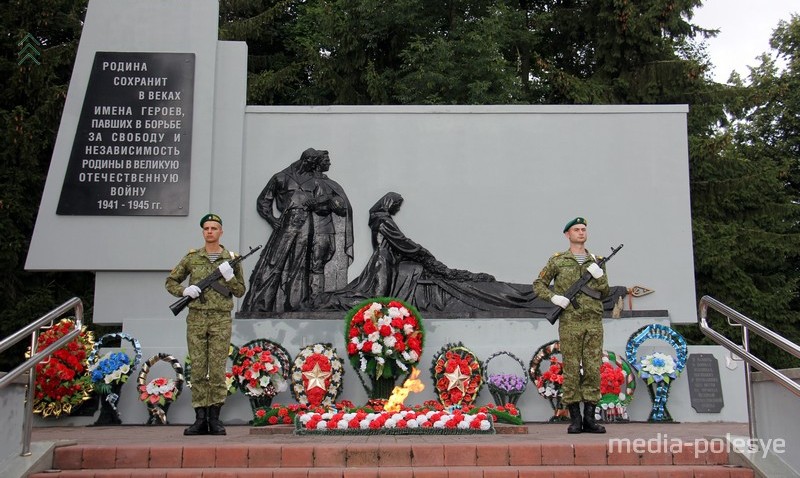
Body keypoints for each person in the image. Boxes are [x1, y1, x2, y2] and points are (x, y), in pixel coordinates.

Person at [165, 214, 245, 436]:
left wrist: (229, 278)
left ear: (221, 232)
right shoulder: (192, 258)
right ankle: (200, 419)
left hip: (221, 318)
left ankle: (215, 419)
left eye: (214, 228)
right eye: (206, 228)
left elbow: (240, 291)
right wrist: (184, 291)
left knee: (217, 369)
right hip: (197, 318)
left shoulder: (231, 259)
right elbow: (170, 281)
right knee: (198, 368)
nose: (210, 231)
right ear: (203, 232)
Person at [532, 217, 609, 434]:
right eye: (576, 229)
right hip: (570, 322)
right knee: (572, 368)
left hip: (593, 322)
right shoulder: (558, 261)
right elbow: (538, 284)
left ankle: (590, 419)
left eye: (584, 229)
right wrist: (554, 298)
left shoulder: (597, 261)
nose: (581, 232)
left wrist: (600, 276)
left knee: (593, 368)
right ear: (568, 234)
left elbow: (603, 292)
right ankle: (575, 418)